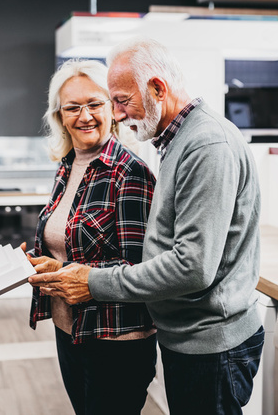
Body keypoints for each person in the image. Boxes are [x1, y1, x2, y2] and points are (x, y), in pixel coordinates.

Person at [29, 38, 264, 415]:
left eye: (118, 101)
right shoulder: (175, 142)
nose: (117, 114)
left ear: (158, 88)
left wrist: (90, 281)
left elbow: (192, 266)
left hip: (211, 342)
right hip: (188, 337)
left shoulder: (206, 145)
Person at [21, 58, 157, 415]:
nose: (84, 116)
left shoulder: (130, 173)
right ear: (59, 116)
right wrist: (39, 263)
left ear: (113, 109)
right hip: (71, 330)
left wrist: (68, 270)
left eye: (94, 104)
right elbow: (65, 243)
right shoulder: (67, 166)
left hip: (115, 340)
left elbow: (139, 267)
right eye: (72, 107)